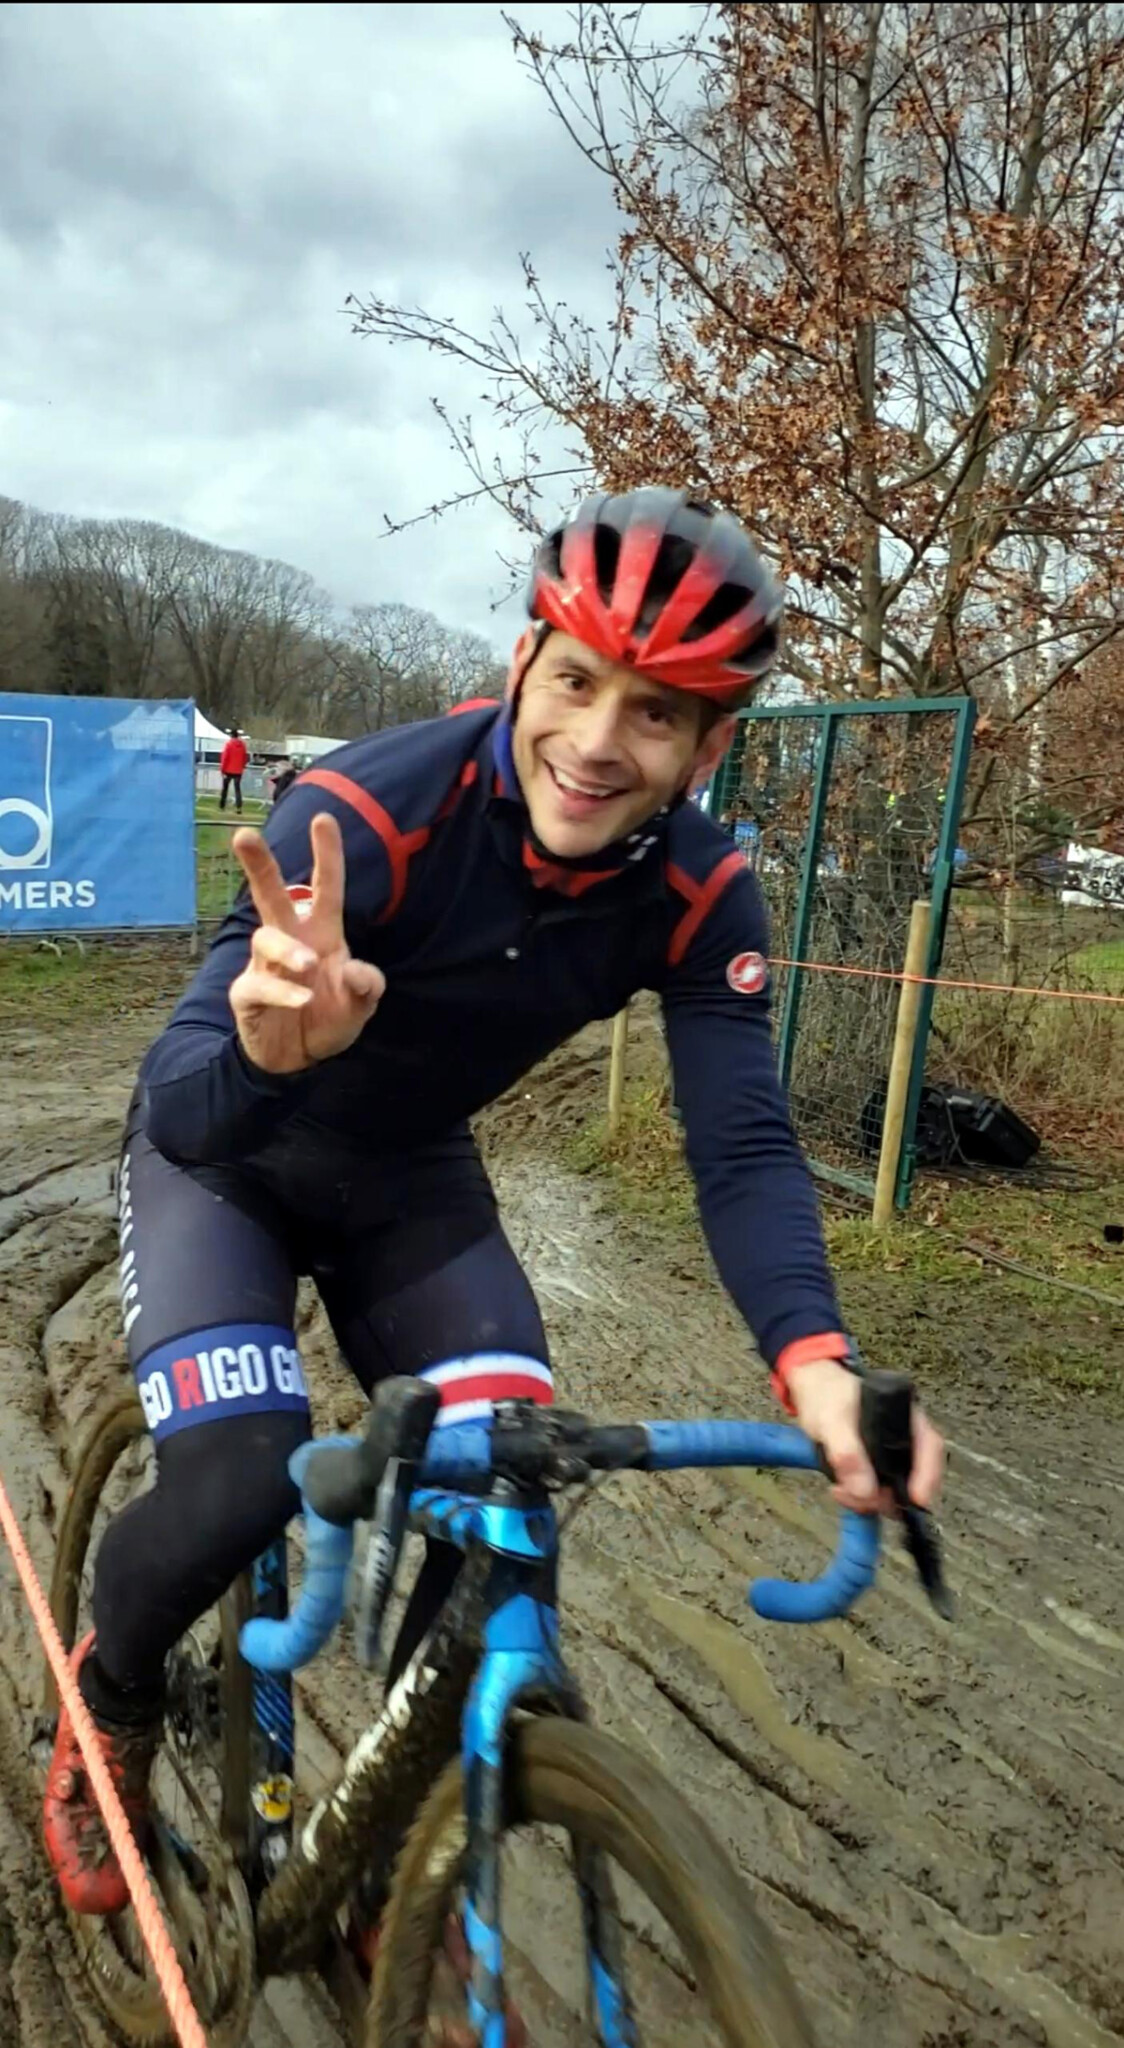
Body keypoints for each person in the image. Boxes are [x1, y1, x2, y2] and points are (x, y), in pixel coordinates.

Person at [44, 488, 944, 1918]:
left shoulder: (701, 891)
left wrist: (818, 1364)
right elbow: (182, 1112)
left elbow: (742, 1147)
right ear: (523, 662)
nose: (597, 741)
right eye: (576, 681)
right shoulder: (366, 813)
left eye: (656, 713)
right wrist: (273, 1053)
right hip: (227, 1161)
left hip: (407, 1182)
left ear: (710, 746)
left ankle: (404, 1866)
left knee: (501, 1493)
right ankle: (110, 1701)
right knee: (240, 1478)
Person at [219, 726, 248, 812]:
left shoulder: (228, 744)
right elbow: (244, 757)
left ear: (231, 735)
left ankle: (222, 805)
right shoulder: (242, 745)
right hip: (238, 770)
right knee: (237, 789)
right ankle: (239, 807)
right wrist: (242, 766)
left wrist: (222, 769)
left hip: (228, 770)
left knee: (225, 788)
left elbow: (225, 757)